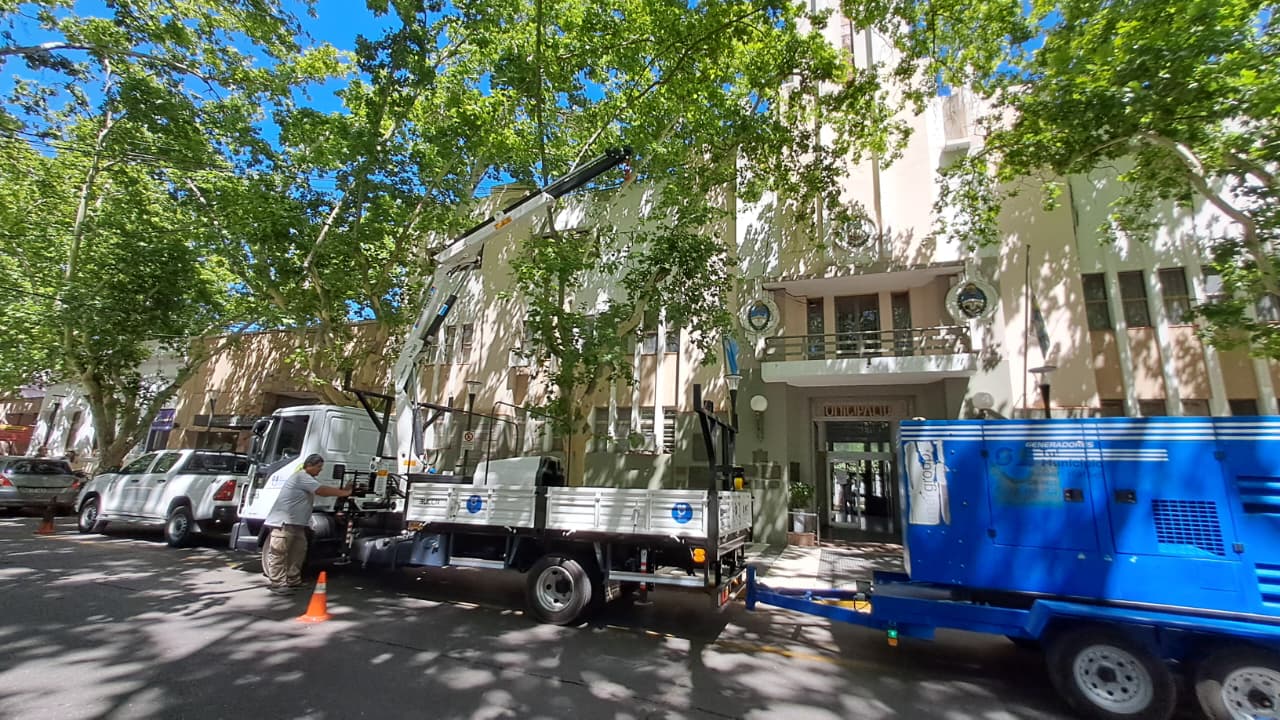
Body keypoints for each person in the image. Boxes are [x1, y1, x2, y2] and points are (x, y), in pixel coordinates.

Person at [262, 453, 351, 595]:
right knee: (280, 553)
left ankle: (293, 580)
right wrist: (345, 493)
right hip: (284, 522)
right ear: (309, 466)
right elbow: (321, 491)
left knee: (297, 553)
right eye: (318, 467)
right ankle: (277, 583)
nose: (320, 470)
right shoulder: (301, 476)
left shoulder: (307, 478)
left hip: (298, 524)